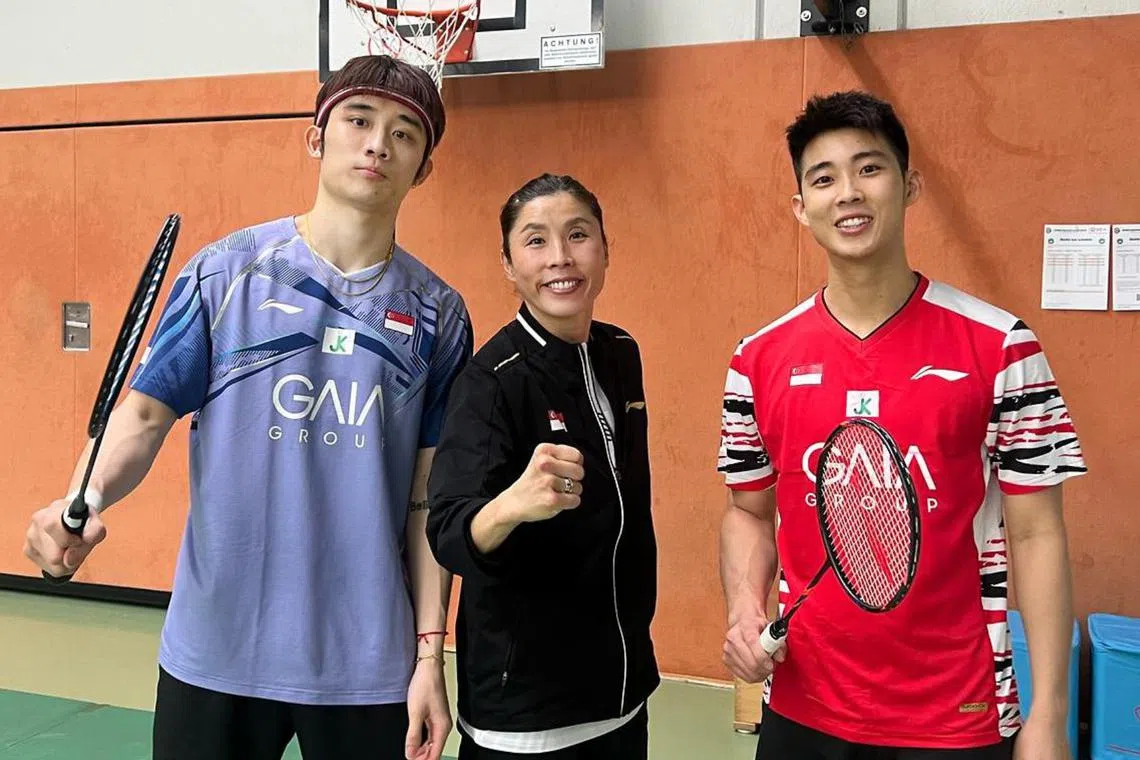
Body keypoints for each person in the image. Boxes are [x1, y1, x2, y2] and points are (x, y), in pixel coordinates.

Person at [22, 54, 471, 760]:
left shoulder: (439, 314)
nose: (378, 144)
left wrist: (428, 657)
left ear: (424, 168)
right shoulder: (225, 272)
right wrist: (84, 496)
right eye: (358, 120)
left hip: (366, 662)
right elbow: (144, 416)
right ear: (315, 137)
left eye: (403, 133)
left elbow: (427, 497)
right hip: (217, 647)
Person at [717, 91, 1087, 760]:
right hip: (802, 707)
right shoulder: (757, 359)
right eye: (823, 178)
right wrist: (745, 610)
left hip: (958, 714)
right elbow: (748, 511)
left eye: (870, 168)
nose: (848, 193)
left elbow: (1037, 534)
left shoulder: (1003, 347)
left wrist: (1049, 715)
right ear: (801, 207)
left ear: (910, 185)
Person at [424, 173, 659, 759]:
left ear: (604, 249)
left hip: (622, 693)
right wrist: (510, 505)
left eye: (577, 234)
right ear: (508, 264)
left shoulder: (620, 353)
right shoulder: (490, 381)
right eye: (535, 240)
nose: (560, 257)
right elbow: (448, 531)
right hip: (525, 717)